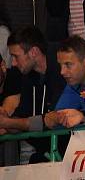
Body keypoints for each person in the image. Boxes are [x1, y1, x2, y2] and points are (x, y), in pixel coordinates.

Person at [0, 27, 65, 163]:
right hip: (49, 153)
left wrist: (9, 122)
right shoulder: (28, 76)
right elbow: (23, 116)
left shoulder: (63, 70)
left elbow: (54, 119)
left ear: (34, 52)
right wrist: (6, 121)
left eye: (16, 56)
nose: (13, 63)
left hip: (71, 151)